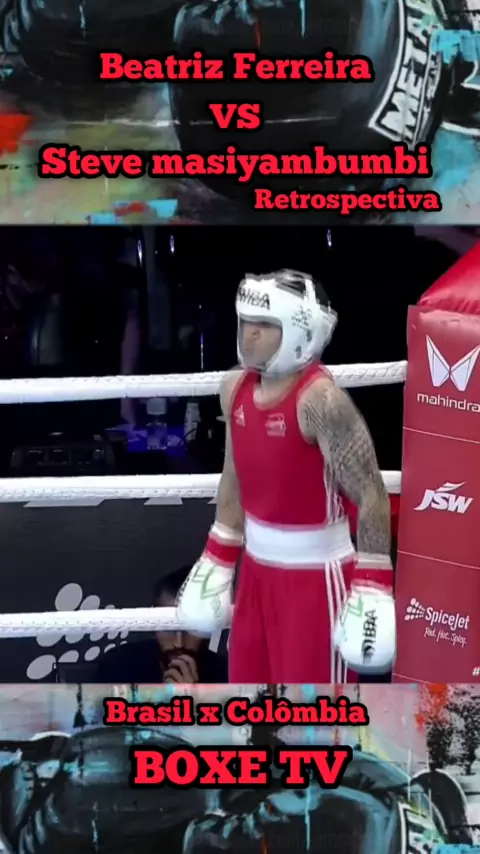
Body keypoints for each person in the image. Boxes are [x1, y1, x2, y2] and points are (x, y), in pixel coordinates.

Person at [177, 269, 395, 683]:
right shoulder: (234, 388)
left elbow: (371, 493)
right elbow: (234, 476)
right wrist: (217, 557)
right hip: (255, 573)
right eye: (246, 322)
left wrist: (372, 586)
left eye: (265, 324)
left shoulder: (320, 402)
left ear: (300, 332)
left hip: (316, 581)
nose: (250, 334)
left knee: (312, 713)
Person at [94, 566, 228, 683]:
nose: (179, 643)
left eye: (190, 629)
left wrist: (194, 698)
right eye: (168, 628)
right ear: (155, 624)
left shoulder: (225, 675)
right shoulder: (118, 665)